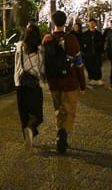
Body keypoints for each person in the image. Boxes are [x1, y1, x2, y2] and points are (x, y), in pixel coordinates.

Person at [42, 10, 86, 154]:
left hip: (54, 82)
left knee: (58, 110)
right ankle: (63, 134)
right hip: (69, 81)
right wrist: (82, 83)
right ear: (65, 22)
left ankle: (59, 131)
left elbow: (44, 61)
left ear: (53, 22)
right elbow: (78, 63)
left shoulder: (47, 39)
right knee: (69, 111)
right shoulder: (71, 39)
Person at [14, 23, 45, 148]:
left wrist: (16, 80)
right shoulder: (40, 48)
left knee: (24, 112)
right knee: (37, 114)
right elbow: (42, 67)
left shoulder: (20, 46)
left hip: (20, 82)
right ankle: (31, 129)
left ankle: (27, 137)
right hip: (34, 83)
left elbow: (16, 64)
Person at [79, 19, 105, 86]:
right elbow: (81, 44)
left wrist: (101, 51)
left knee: (98, 66)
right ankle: (91, 79)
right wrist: (84, 51)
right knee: (89, 66)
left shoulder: (98, 34)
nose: (92, 24)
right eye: (91, 23)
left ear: (95, 24)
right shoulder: (85, 34)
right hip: (88, 54)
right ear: (89, 24)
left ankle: (98, 79)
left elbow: (102, 43)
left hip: (97, 53)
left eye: (93, 23)